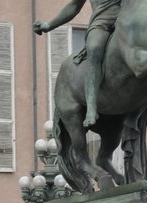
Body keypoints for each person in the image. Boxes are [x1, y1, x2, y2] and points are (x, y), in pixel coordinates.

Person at [33, 0, 121, 129]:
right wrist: (49, 25)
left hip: (127, 21)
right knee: (95, 48)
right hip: (102, 22)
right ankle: (91, 107)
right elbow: (74, 6)